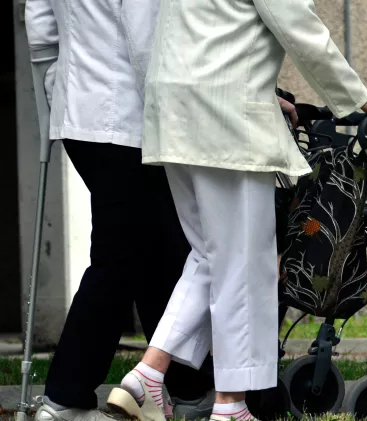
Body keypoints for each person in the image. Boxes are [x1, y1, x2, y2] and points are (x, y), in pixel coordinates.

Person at [101, 0, 367, 420]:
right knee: (243, 265)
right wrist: (362, 98)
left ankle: (146, 378)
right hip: (226, 119)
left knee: (211, 257)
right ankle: (231, 406)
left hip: (175, 111)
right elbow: (298, 25)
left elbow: (207, 30)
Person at [23, 0, 217, 420]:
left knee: (151, 248)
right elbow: (147, 39)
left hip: (81, 113)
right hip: (130, 119)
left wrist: (58, 80)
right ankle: (65, 399)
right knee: (121, 257)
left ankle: (185, 386)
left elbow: (39, 26)